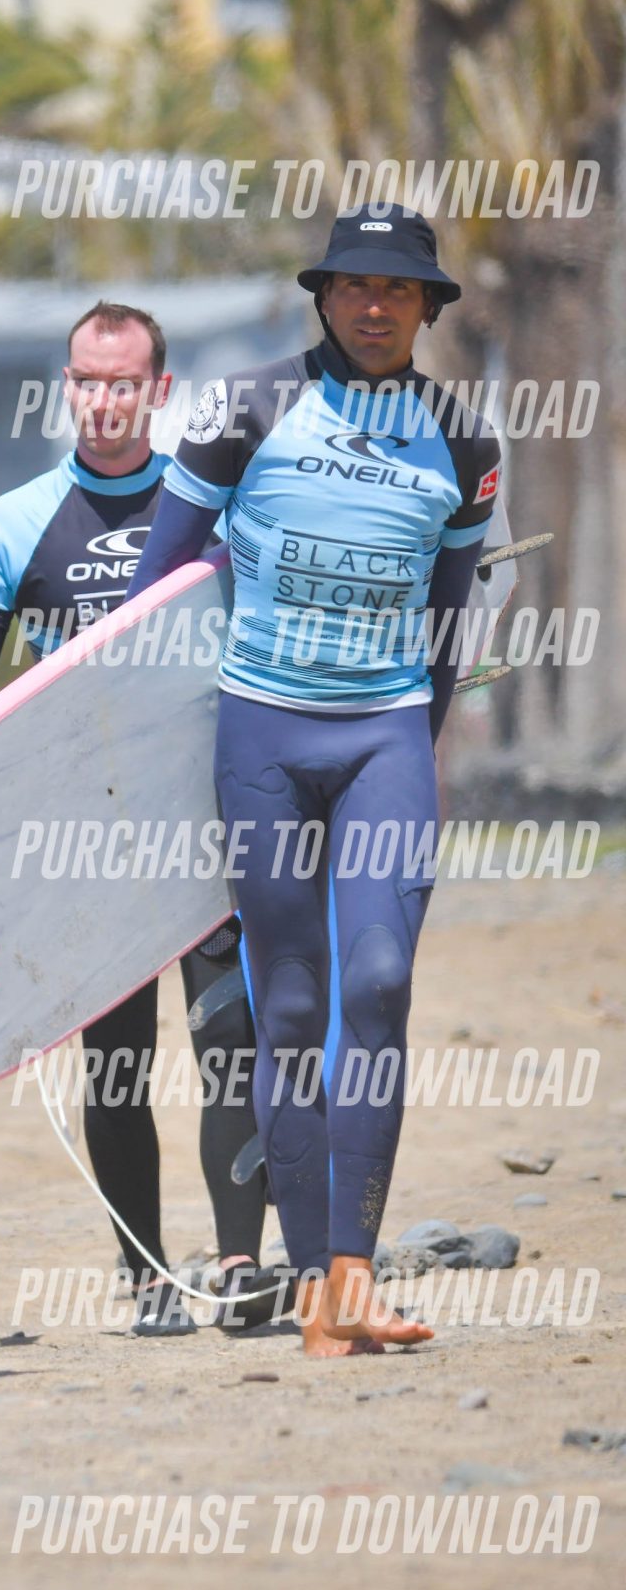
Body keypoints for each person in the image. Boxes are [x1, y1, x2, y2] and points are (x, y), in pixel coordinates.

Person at [130, 204, 497, 1356]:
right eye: (353, 286)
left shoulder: (463, 442)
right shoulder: (245, 410)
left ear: (426, 306)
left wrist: (413, 748)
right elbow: (156, 587)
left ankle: (353, 1273)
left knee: (377, 985)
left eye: (396, 289)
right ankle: (308, 1286)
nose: (373, 305)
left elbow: (448, 627)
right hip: (261, 739)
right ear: (324, 297)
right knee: (288, 1009)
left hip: (385, 735)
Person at [0, 302, 273, 1334]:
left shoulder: (210, 508)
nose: (105, 399)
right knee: (116, 1063)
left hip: (204, 821)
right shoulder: (15, 521)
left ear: (158, 390)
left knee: (231, 1042)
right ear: (66, 386)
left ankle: (239, 1263)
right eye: (88, 379)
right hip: (85, 834)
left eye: (124, 381)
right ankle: (147, 1278)